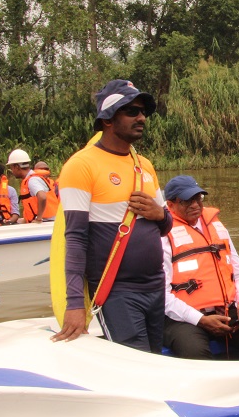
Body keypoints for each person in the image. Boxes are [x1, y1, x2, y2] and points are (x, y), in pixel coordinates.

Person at [53, 79, 173, 353]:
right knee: (136, 362)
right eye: (131, 111)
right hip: (116, 291)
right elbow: (74, 238)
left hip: (155, 285)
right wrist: (74, 304)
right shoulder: (81, 165)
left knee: (155, 358)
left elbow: (166, 225)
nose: (141, 117)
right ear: (107, 119)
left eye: (143, 111)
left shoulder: (144, 166)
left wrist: (157, 213)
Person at [162, 176, 239, 359]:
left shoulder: (216, 226)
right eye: (187, 201)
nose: (196, 205)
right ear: (170, 204)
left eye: (198, 198)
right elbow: (161, 295)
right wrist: (201, 320)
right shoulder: (162, 234)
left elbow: (238, 272)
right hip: (183, 318)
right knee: (195, 353)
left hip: (227, 309)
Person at [6, 149, 58, 223]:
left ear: (17, 167)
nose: (12, 171)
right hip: (47, 222)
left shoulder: (32, 180)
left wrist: (39, 218)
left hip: (48, 223)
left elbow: (42, 197)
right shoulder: (31, 179)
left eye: (11, 168)